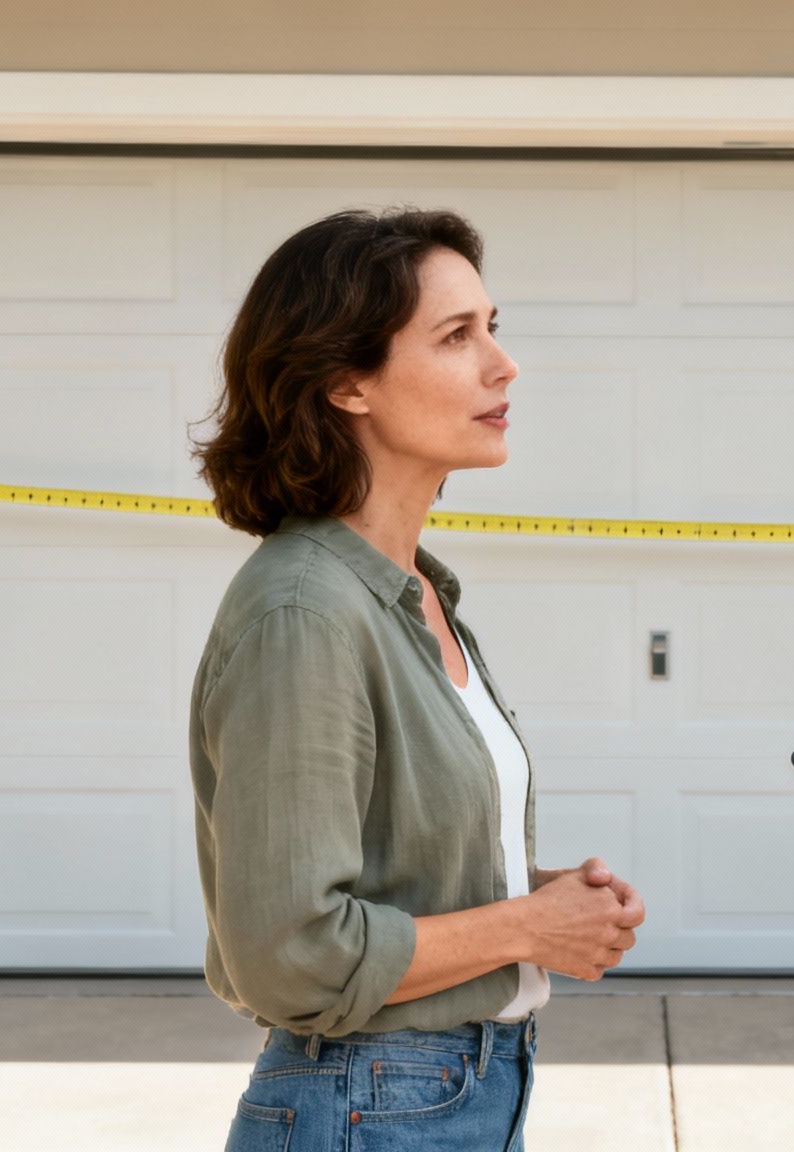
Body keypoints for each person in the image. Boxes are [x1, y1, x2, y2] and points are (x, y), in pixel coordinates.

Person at [189, 207, 646, 1151]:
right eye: (455, 336)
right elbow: (290, 954)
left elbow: (386, 874)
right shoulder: (305, 613)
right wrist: (525, 924)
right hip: (369, 1104)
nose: (502, 363)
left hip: (458, 1092)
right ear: (347, 381)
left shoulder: (411, 592)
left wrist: (545, 898)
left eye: (493, 327)